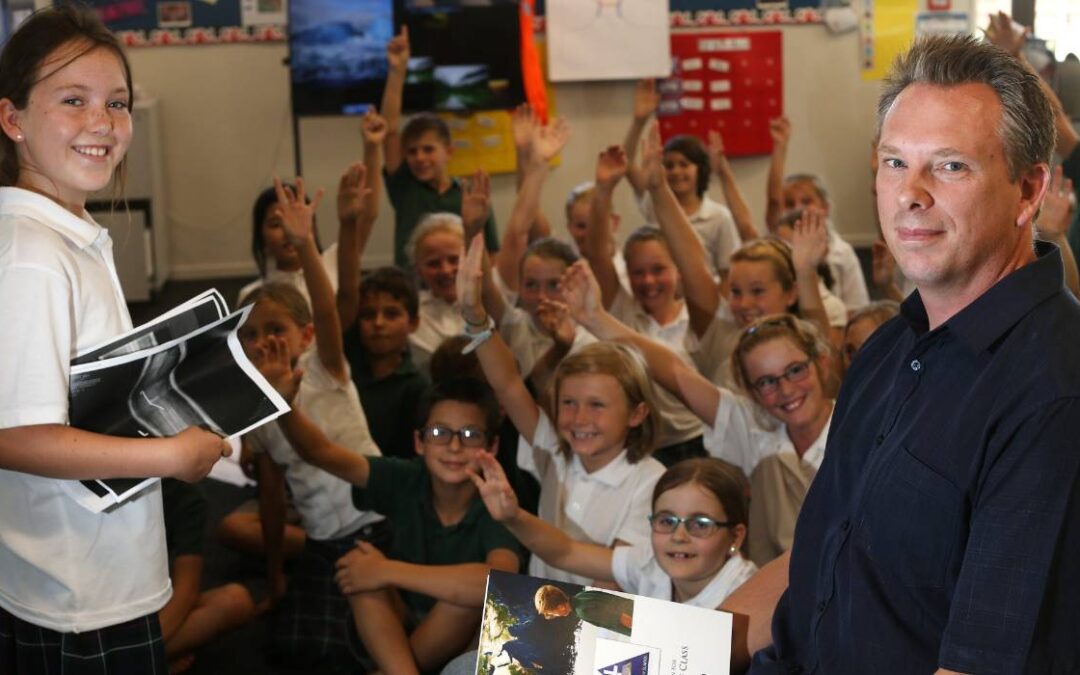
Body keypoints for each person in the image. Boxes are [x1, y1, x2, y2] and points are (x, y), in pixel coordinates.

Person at [731, 34, 1080, 674]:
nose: (909, 195)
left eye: (949, 166)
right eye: (895, 163)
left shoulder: (1054, 392)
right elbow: (824, 554)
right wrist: (662, 654)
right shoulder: (890, 346)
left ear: (1029, 191)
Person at [0, 6, 227, 672]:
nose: (102, 123)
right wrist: (169, 457)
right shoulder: (33, 254)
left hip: (96, 572)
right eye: (73, 100)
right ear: (12, 118)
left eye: (117, 103)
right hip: (74, 590)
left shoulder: (67, 238)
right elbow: (14, 435)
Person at [255, 348, 522, 675]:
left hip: (468, 641)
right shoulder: (407, 478)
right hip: (403, 623)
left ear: (491, 446)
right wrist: (284, 406)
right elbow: (321, 453)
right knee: (359, 570)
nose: (454, 447)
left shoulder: (499, 501)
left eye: (470, 435)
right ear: (419, 442)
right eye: (439, 433)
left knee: (463, 597)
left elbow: (498, 583)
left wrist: (388, 570)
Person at [563, 262, 833, 567]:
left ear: (821, 363)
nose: (786, 389)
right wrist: (595, 318)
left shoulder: (860, 424)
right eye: (767, 382)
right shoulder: (754, 428)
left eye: (795, 370)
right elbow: (676, 374)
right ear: (752, 392)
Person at [240, 178, 389, 668]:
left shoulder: (325, 366)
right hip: (324, 540)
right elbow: (270, 494)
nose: (266, 343)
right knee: (299, 649)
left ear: (303, 336)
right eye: (254, 336)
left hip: (375, 522)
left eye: (277, 330)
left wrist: (306, 242)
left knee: (369, 640)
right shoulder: (259, 408)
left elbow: (327, 308)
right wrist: (277, 577)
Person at [459, 234, 666, 586]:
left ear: (637, 413)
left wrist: (514, 517)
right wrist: (475, 317)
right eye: (568, 403)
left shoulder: (651, 483)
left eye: (597, 405)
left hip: (599, 630)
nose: (579, 419)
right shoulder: (557, 452)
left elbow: (611, 581)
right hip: (545, 619)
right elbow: (508, 384)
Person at [471, 453, 757, 606]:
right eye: (667, 521)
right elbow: (566, 552)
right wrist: (513, 516)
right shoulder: (649, 562)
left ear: (736, 536)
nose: (679, 537)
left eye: (700, 525)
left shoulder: (747, 594)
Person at [380, 26, 498, 267]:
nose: (419, 158)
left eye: (428, 149)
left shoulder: (471, 195)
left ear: (449, 151)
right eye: (411, 152)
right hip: (413, 294)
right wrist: (397, 70)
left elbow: (492, 253)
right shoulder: (405, 188)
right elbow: (389, 130)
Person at [765, 116, 870, 311]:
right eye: (789, 203)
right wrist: (780, 148)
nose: (798, 209)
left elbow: (856, 306)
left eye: (807, 201)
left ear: (825, 208)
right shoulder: (778, 243)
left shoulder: (842, 252)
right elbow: (772, 202)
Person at [158, 479, 256, 674]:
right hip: (90, 609)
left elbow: (187, 590)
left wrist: (143, 646)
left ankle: (128, 660)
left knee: (235, 601)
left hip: (140, 606)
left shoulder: (185, 495)